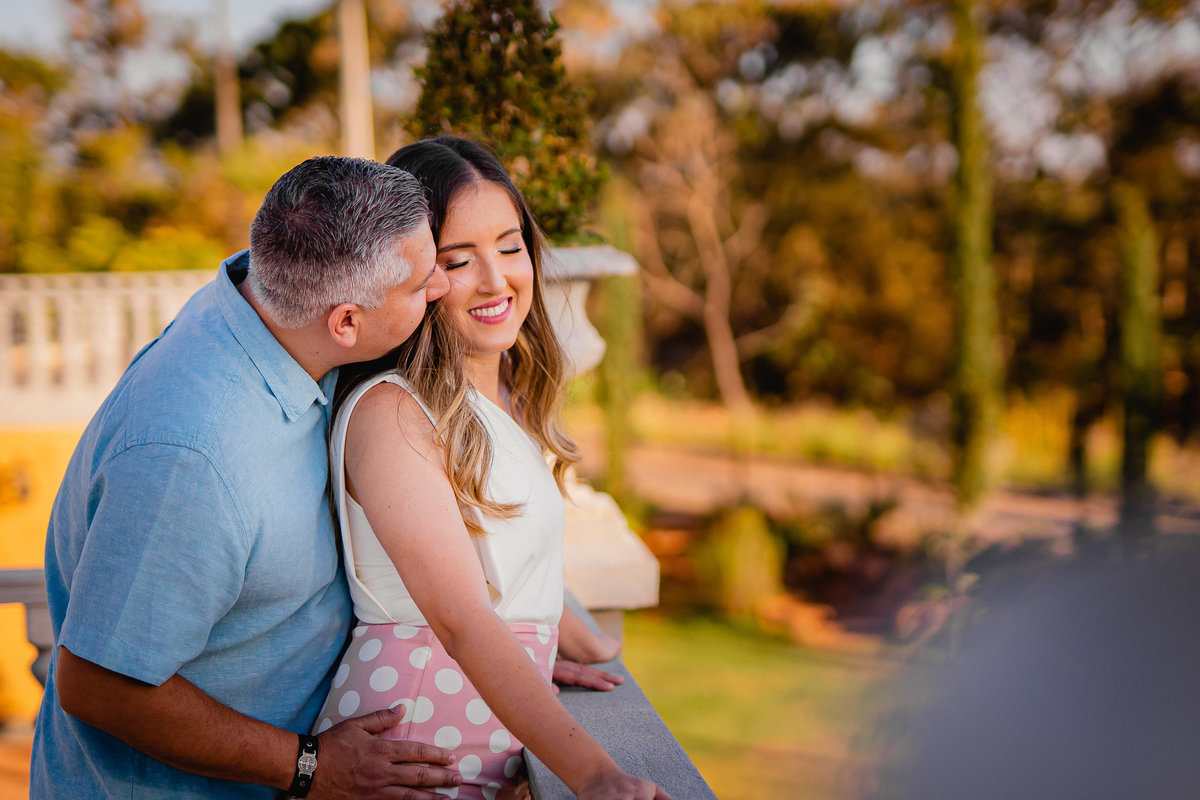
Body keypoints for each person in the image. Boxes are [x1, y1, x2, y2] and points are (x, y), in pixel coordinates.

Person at [31, 156, 466, 799]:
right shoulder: (192, 459)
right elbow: (100, 686)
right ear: (345, 323)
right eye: (418, 282)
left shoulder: (264, 287)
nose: (440, 288)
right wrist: (311, 765)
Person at [313, 136, 670, 800]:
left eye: (509, 247)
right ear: (411, 270)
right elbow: (461, 621)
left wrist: (566, 642)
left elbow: (503, 560)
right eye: (458, 259)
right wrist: (596, 775)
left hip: (481, 755)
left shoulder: (500, 398)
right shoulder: (392, 413)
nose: (495, 279)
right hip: (408, 755)